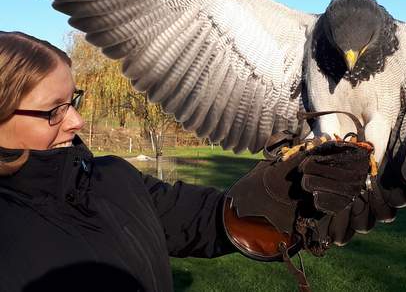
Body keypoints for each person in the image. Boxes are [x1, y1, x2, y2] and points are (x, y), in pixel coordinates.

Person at [0, 31, 370, 292]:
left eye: (73, 101)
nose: (76, 121)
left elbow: (204, 220)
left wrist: (287, 194)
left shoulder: (111, 177)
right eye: (54, 112)